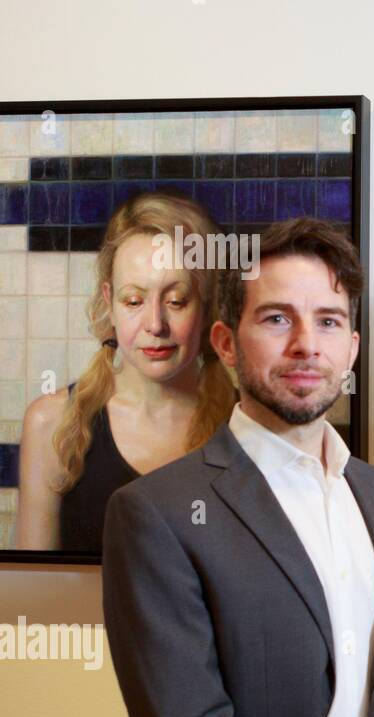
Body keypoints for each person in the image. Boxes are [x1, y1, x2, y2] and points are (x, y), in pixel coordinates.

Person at [102, 217, 374, 717]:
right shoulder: (155, 516)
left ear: (351, 349)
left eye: (329, 321)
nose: (307, 343)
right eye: (278, 318)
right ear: (226, 343)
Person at [16, 191, 236, 552]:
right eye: (134, 301)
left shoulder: (249, 428)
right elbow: (36, 592)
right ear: (109, 301)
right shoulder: (51, 423)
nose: (155, 324)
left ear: (207, 304)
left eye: (176, 301)